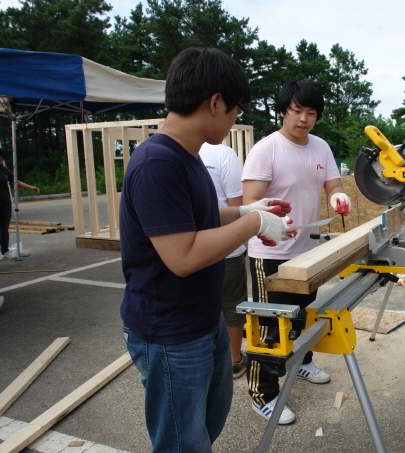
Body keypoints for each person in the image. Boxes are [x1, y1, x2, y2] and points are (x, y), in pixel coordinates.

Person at [118, 47, 294, 453]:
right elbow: (183, 257)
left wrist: (245, 211)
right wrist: (254, 224)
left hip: (202, 319)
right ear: (215, 103)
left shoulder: (188, 157)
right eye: (235, 109)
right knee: (182, 444)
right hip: (170, 333)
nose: (234, 119)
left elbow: (190, 217)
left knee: (203, 430)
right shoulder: (157, 162)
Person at [242, 79, 351, 426]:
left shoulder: (321, 147)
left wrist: (338, 196)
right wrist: (271, 223)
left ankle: (302, 362)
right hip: (271, 252)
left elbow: (333, 183)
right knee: (270, 327)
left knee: (304, 317)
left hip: (307, 250)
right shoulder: (266, 149)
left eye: (311, 113)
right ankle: (263, 394)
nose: (304, 119)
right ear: (282, 111)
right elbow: (249, 202)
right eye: (297, 110)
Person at [198, 142, 249, 379]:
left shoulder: (174, 151)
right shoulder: (223, 154)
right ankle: (234, 360)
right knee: (232, 306)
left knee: (198, 305)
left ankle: (203, 360)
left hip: (193, 248)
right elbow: (237, 208)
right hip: (226, 249)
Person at [0, 147, 40, 259]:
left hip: (5, 203)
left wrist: (30, 187)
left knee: (4, 228)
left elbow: (15, 182)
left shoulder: (3, 170)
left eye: (1, 159)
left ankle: (5, 251)